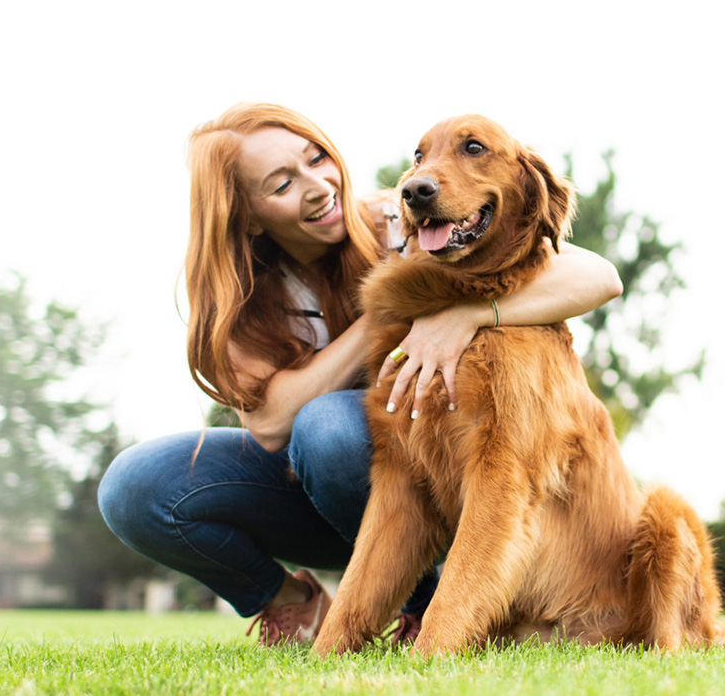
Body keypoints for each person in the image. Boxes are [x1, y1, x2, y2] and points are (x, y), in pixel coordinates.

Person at [97, 102, 623, 646]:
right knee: (136, 485)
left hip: (431, 484)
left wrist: (467, 313)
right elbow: (273, 424)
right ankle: (296, 607)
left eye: (316, 157)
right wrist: (391, 306)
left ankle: (435, 609)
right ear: (246, 215)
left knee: (335, 430)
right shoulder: (238, 298)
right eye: (281, 183)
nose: (318, 186)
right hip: (318, 487)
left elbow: (598, 276)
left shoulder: (399, 215)